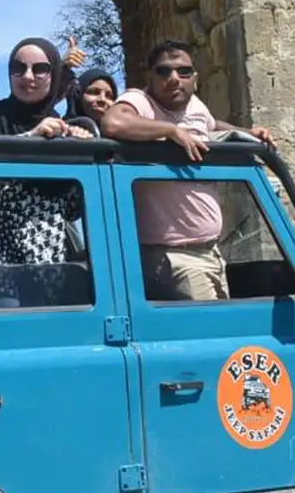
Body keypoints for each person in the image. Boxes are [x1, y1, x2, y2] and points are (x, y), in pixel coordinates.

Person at [100, 40, 272, 302]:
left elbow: (211, 125)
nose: (174, 78)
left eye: (183, 71)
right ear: (151, 77)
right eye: (163, 71)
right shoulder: (141, 102)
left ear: (195, 77)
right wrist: (169, 131)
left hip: (211, 252)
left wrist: (250, 133)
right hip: (174, 256)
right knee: (214, 333)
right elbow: (113, 122)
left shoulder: (196, 108)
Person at [0, 37, 86, 267]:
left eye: (40, 69)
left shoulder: (60, 127)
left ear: (53, 75)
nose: (28, 76)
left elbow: (71, 208)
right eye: (19, 68)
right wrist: (31, 138)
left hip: (46, 263)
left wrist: (82, 152)